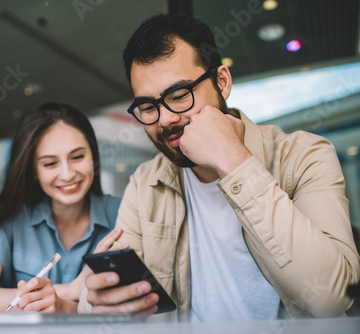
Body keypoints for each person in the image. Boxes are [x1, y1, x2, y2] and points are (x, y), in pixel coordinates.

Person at [79, 14, 360, 322]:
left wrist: (234, 161)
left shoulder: (304, 155)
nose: (165, 119)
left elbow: (330, 298)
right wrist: (97, 301)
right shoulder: (145, 182)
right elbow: (111, 300)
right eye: (148, 107)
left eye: (179, 96)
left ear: (222, 82)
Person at [0, 102, 122, 313]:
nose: (67, 174)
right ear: (33, 171)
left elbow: (134, 312)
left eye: (77, 157)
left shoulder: (123, 213)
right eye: (50, 164)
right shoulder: (12, 216)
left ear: (93, 155)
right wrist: (72, 289)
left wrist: (63, 306)